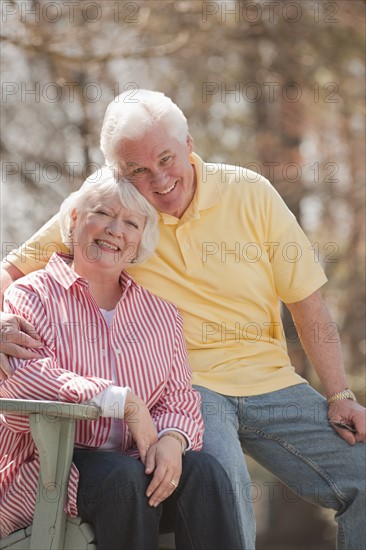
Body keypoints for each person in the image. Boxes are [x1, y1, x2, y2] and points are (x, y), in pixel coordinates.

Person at [1, 89, 365, 549]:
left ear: (189, 144)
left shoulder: (250, 192)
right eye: (137, 170)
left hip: (272, 381)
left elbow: (306, 301)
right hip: (192, 388)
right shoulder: (114, 208)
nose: (157, 179)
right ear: (120, 172)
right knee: (224, 492)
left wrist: (340, 394)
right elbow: (10, 272)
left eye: (166, 159)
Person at [0, 171, 243, 550]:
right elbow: (26, 378)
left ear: (139, 242)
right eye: (103, 214)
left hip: (134, 464)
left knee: (206, 472)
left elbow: (180, 399)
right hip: (47, 473)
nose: (116, 230)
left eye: (131, 222)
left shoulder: (161, 313)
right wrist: (121, 402)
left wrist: (173, 440)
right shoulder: (31, 295)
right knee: (122, 479)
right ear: (76, 219)